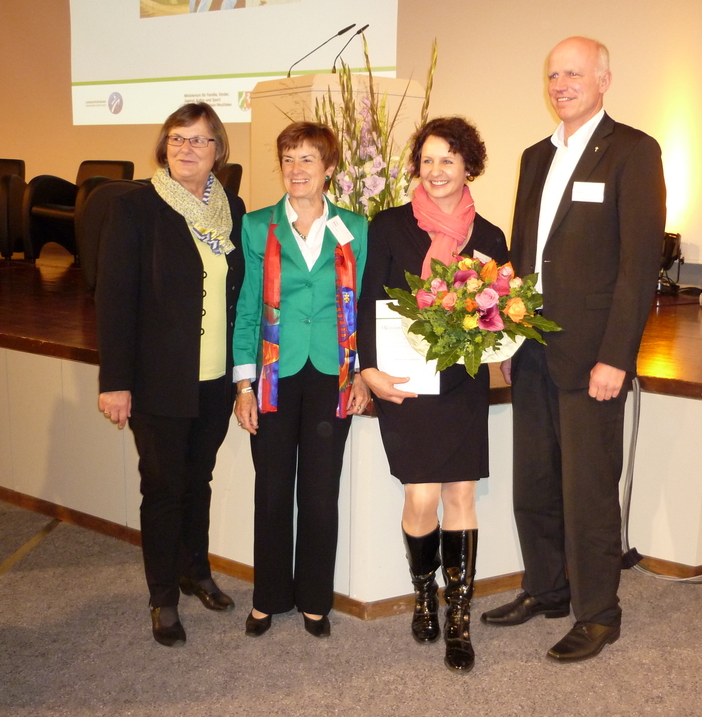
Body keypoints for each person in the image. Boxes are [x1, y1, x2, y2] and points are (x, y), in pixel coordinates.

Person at [480, 37, 666, 663]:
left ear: (604, 78)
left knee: (588, 490)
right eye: (553, 74)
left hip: (593, 359)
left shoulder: (634, 152)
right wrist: (506, 337)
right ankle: (547, 589)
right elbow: (524, 259)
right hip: (532, 350)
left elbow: (639, 267)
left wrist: (616, 355)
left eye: (574, 73)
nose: (561, 84)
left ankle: (599, 613)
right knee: (533, 484)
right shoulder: (535, 157)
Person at [357, 117, 508, 673]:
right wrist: (366, 368)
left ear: (469, 165)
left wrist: (501, 341)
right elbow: (369, 299)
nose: (437, 170)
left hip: (461, 387)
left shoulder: (489, 236)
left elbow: (498, 314)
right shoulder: (390, 225)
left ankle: (459, 619)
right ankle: (423, 593)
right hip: (406, 385)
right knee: (421, 499)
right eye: (427, 160)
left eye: (449, 159)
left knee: (461, 498)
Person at [96, 102, 245, 647]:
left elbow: (237, 293)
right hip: (158, 380)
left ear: (218, 151)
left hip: (214, 377)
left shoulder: (232, 209)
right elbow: (113, 299)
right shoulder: (136, 207)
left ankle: (195, 571)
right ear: (164, 146)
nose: (188, 149)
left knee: (197, 480)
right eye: (178, 139)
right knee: (162, 489)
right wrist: (115, 380)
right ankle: (163, 598)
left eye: (200, 140)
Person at [233, 122, 369, 640]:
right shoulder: (257, 225)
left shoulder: (356, 225)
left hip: (331, 375)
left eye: (308, 159)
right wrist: (243, 385)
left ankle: (315, 598)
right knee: (270, 491)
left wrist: (360, 374)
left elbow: (363, 309)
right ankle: (268, 596)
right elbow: (247, 308)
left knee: (319, 492)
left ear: (328, 168)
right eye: (288, 159)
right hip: (273, 374)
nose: (296, 170)